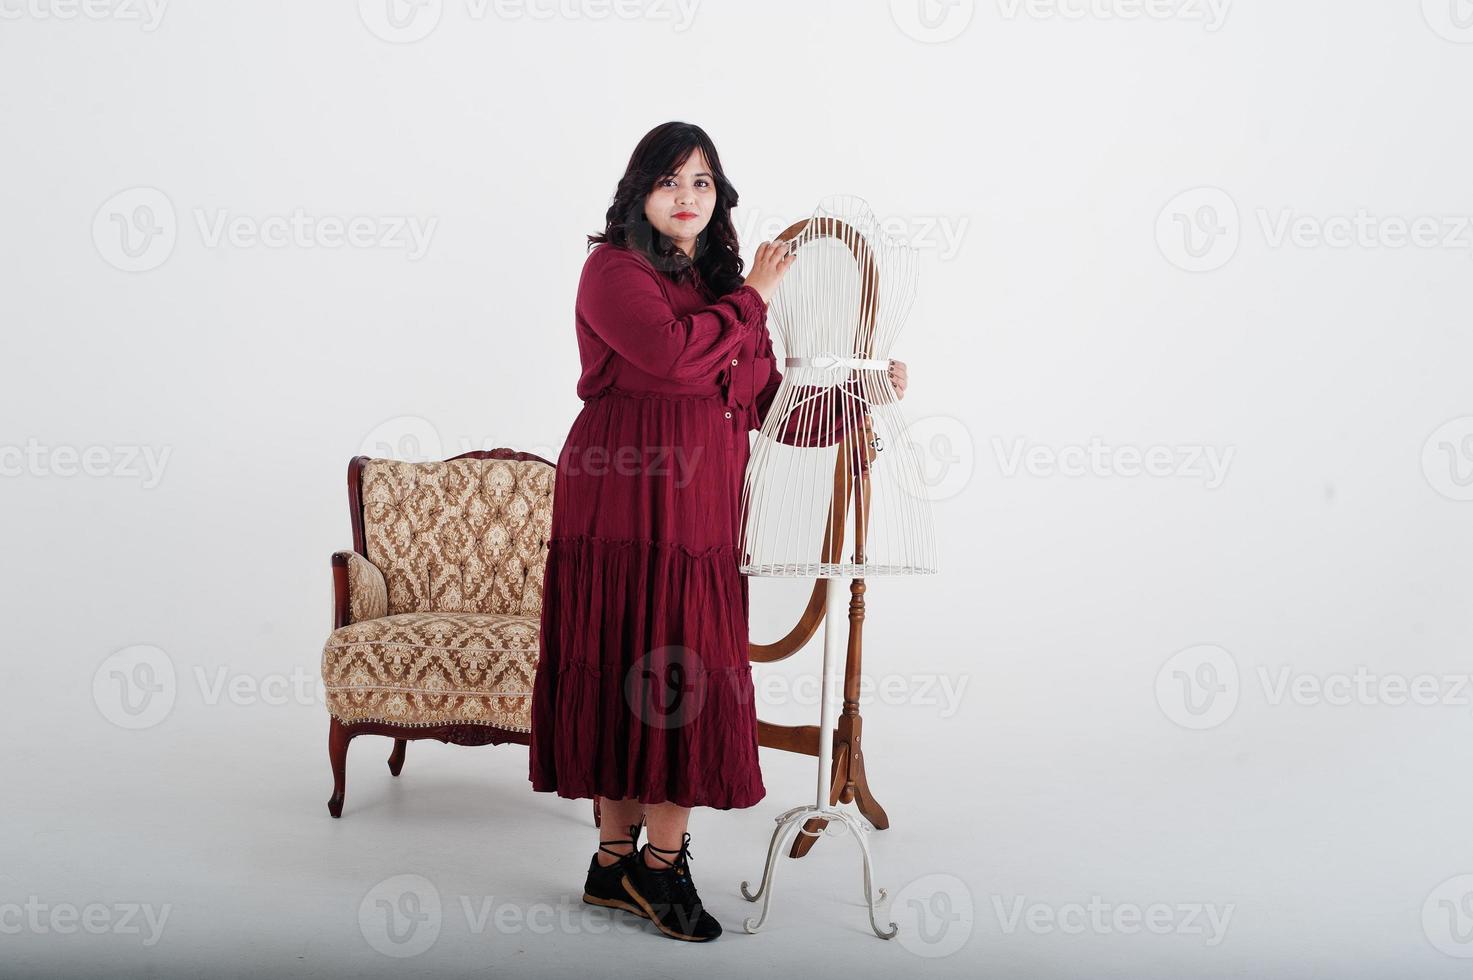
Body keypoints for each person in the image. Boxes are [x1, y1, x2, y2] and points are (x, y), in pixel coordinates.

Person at [528, 121, 908, 943]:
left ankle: (632, 867)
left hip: (697, 510)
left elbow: (768, 406)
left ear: (718, 196)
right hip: (619, 500)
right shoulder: (611, 270)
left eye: (701, 182)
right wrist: (757, 298)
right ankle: (631, 864)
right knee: (626, 658)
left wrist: (859, 398)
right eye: (670, 181)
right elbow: (670, 358)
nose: (686, 197)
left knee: (678, 670)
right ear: (639, 191)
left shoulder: (722, 284)